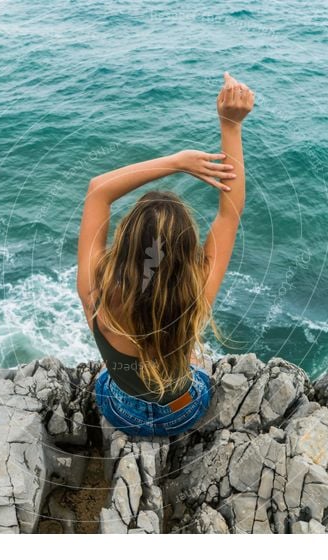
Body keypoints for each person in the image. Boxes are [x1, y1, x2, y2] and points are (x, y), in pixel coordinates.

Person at [76, 71, 255, 437]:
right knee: (197, 367)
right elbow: (229, 212)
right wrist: (230, 125)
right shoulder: (195, 291)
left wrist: (176, 161)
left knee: (108, 383)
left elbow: (98, 191)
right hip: (181, 412)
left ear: (124, 243)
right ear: (186, 252)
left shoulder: (95, 289)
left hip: (121, 410)